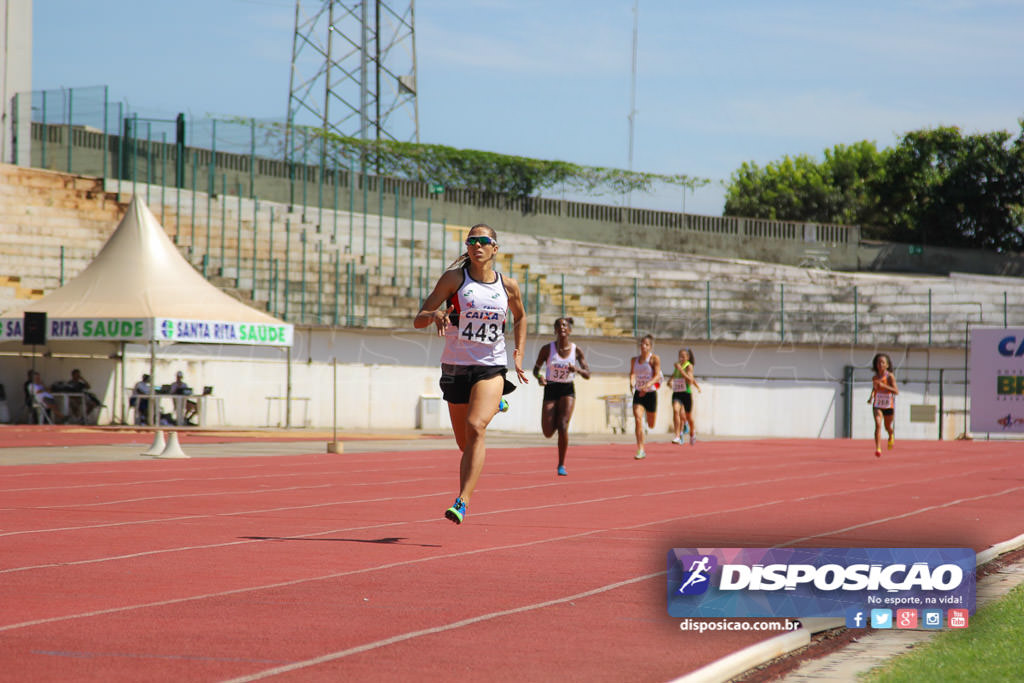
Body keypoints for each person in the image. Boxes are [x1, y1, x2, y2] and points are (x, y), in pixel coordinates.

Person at [414, 224, 528, 524]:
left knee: (476, 426)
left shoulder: (508, 286)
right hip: (455, 366)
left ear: (495, 248)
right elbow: (418, 319)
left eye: (483, 241)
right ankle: (495, 404)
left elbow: (521, 316)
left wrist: (518, 352)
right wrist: (435, 314)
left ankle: (462, 501)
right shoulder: (454, 279)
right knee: (465, 444)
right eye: (471, 241)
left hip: (491, 365)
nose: (477, 245)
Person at [533, 317, 591, 476]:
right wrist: (539, 378)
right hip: (551, 388)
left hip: (567, 389)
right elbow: (536, 370)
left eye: (565, 325)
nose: (562, 328)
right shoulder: (547, 349)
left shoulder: (576, 350)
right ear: (555, 330)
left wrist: (577, 370)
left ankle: (561, 464)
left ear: (570, 330)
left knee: (563, 424)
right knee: (547, 432)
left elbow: (588, 374)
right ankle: (557, 423)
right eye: (558, 325)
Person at [629, 334, 662, 460]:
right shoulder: (634, 360)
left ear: (650, 347)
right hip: (639, 393)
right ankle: (641, 449)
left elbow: (658, 376)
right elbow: (632, 373)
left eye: (646, 344)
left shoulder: (654, 359)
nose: (643, 346)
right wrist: (631, 382)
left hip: (650, 393)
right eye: (642, 344)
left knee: (651, 424)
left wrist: (647, 385)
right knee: (638, 419)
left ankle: (649, 420)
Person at [868, 353, 899, 457]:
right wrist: (871, 397)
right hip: (877, 404)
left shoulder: (890, 377)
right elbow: (874, 389)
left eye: (883, 362)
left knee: (887, 426)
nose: (880, 364)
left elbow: (896, 391)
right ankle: (878, 448)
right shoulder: (875, 377)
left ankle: (891, 434)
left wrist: (884, 386)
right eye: (878, 362)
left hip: (888, 405)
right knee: (878, 424)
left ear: (887, 365)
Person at [670, 348, 701, 445]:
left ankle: (692, 432)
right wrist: (669, 382)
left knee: (688, 417)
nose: (681, 358)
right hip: (677, 393)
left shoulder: (689, 367)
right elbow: (674, 376)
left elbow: (690, 380)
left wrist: (680, 369)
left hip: (686, 394)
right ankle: (677, 436)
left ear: (687, 357)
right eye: (680, 356)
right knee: (676, 410)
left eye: (683, 356)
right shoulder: (677, 366)